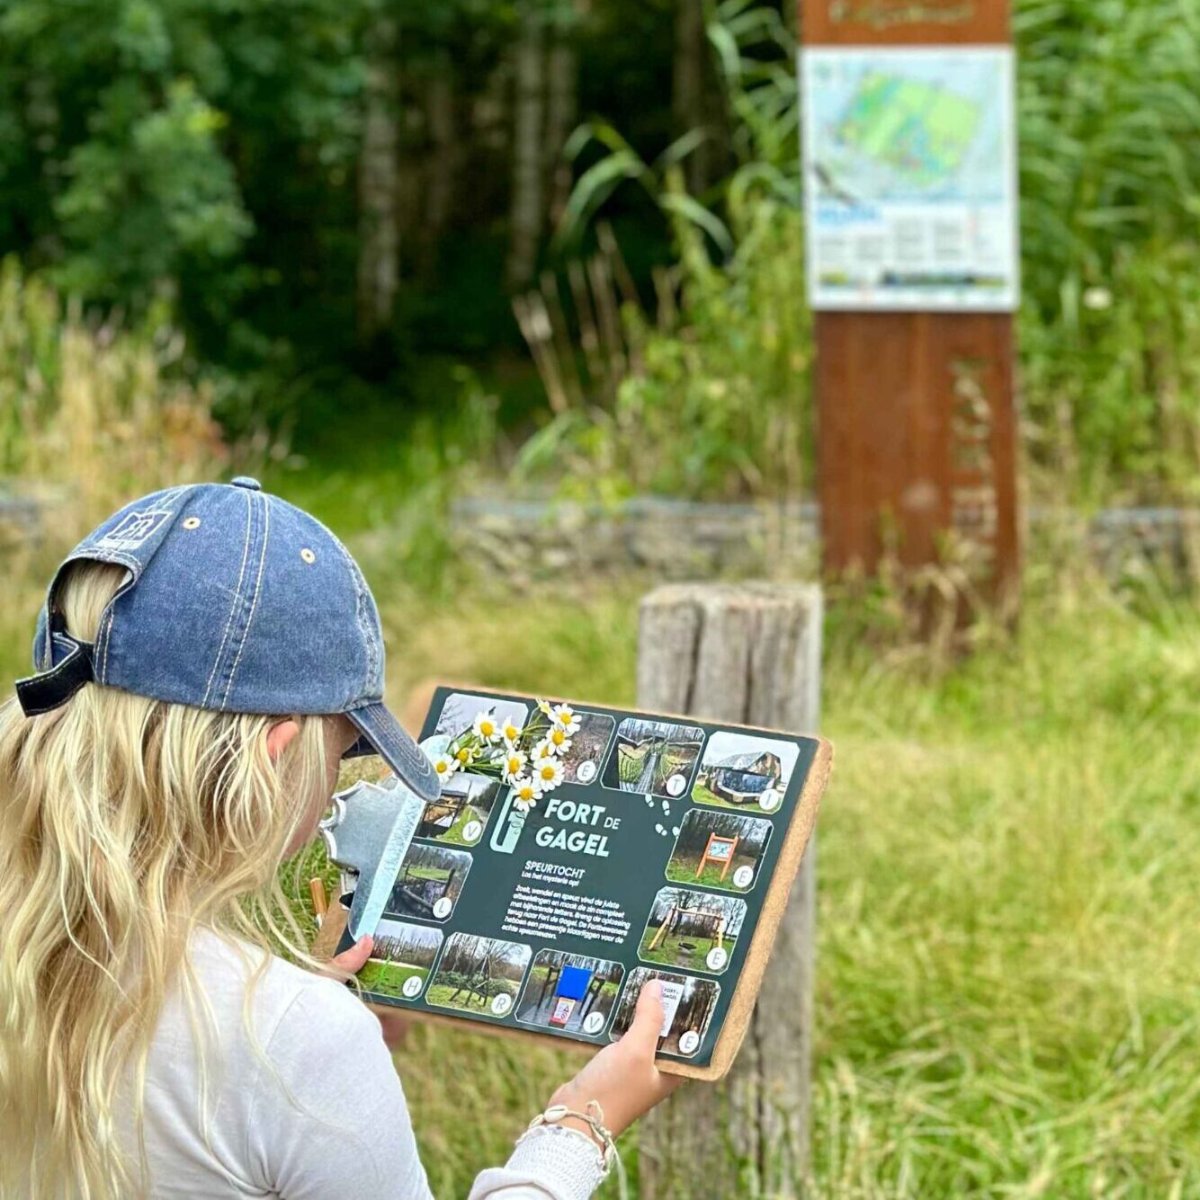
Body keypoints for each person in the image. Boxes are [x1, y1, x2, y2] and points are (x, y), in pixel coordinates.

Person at [0, 478, 681, 1199]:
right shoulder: (295, 1043)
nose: (337, 784)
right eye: (344, 748)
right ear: (276, 753)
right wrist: (578, 1127)